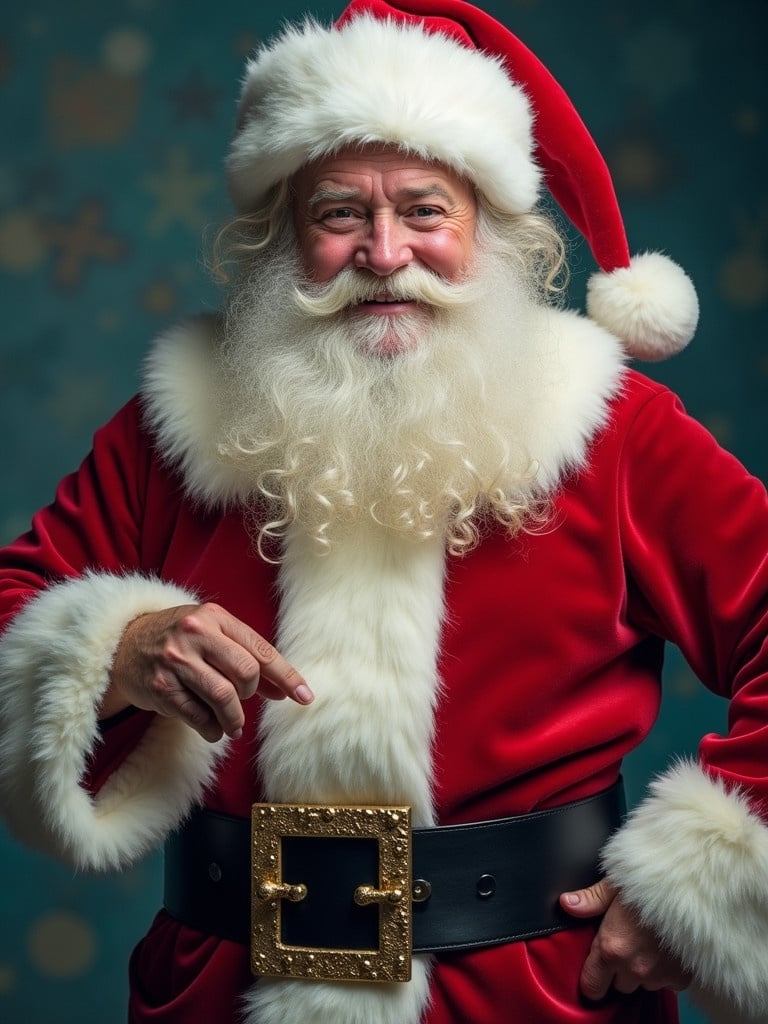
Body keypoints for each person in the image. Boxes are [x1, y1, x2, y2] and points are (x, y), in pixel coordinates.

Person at [0, 0, 766, 1021]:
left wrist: (701, 883)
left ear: (489, 229)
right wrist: (114, 648)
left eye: (424, 209)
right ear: (284, 238)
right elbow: (16, 607)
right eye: (339, 214)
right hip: (219, 991)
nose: (384, 252)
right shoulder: (176, 424)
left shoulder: (611, 429)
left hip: (533, 997)